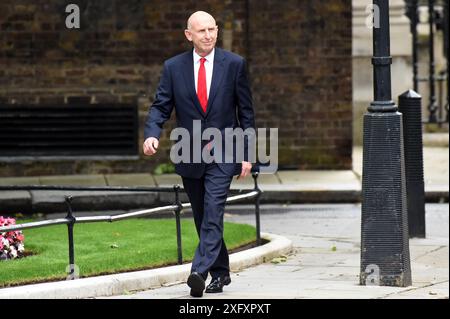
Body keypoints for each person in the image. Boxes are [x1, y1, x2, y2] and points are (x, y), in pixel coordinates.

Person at [143, 10, 255, 297]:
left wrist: (247, 153)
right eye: (201, 31)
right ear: (188, 35)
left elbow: (246, 113)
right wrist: (152, 134)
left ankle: (198, 272)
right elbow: (160, 105)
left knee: (214, 210)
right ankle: (221, 273)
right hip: (189, 151)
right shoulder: (173, 67)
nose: (208, 35)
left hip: (224, 150)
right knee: (203, 214)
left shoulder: (234, 64)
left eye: (212, 29)